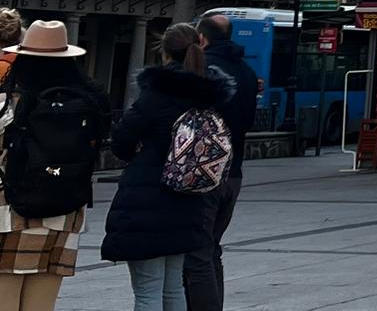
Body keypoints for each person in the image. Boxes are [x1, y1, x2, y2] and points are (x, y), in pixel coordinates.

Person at [102, 24, 235, 311]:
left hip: (148, 197)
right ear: (199, 44)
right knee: (174, 287)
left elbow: (121, 139)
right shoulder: (210, 96)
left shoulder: (155, 95)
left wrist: (138, 155)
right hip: (191, 201)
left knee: (148, 291)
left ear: (165, 51)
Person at [0, 19, 111, 311]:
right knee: (42, 303)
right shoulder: (90, 100)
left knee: (5, 298)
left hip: (11, 212)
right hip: (66, 211)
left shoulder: (13, 102)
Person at [184, 16, 257, 311]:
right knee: (211, 250)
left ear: (201, 38)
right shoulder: (248, 72)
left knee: (197, 253)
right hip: (234, 169)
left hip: (204, 172)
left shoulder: (203, 71)